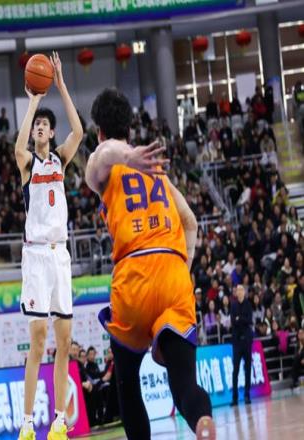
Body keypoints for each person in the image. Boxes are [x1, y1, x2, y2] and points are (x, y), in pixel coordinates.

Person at [85, 88, 215, 439]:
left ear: (99, 131)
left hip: (135, 275)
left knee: (127, 384)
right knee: (184, 383)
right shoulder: (156, 171)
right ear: (129, 128)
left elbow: (104, 154)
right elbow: (191, 222)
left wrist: (125, 154)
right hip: (174, 274)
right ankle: (203, 423)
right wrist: (182, 269)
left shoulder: (104, 162)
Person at [15, 51, 83, 440]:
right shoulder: (28, 163)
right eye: (37, 125)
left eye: (45, 125)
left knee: (64, 340)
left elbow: (79, 131)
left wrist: (61, 85)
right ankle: (27, 424)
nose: (40, 128)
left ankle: (58, 422)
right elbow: (17, 148)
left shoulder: (60, 160)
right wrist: (34, 102)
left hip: (61, 255)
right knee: (38, 338)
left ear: (52, 134)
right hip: (37, 255)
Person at [230, 284, 253, 406]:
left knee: (248, 368)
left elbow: (249, 320)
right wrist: (240, 319)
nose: (239, 292)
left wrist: (240, 319)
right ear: (235, 293)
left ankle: (247, 395)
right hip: (237, 342)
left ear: (244, 292)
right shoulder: (233, 305)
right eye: (237, 290)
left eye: (241, 290)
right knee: (236, 370)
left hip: (247, 341)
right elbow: (233, 321)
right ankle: (235, 397)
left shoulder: (248, 305)